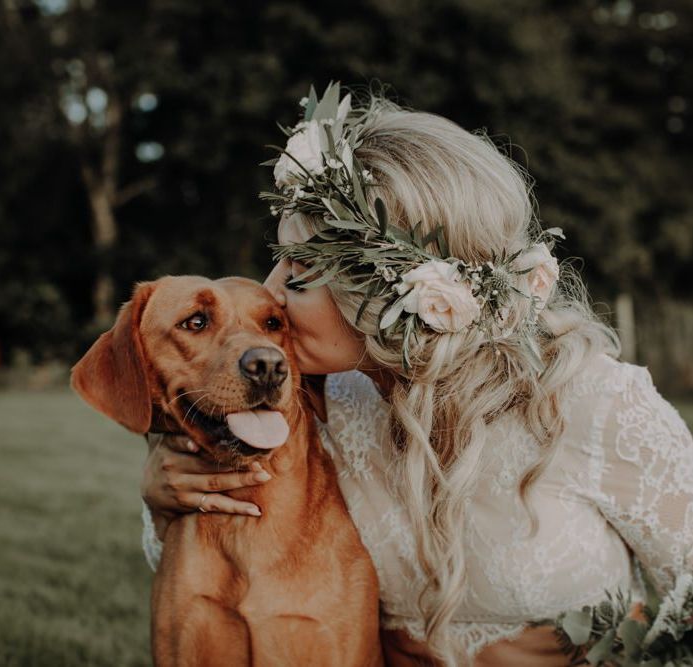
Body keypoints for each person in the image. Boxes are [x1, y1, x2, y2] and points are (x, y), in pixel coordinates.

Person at [140, 84, 693, 666]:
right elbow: (214, 579)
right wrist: (166, 498)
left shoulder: (597, 402)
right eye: (278, 259)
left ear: (382, 294)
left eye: (300, 271)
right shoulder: (305, 402)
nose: (270, 290)